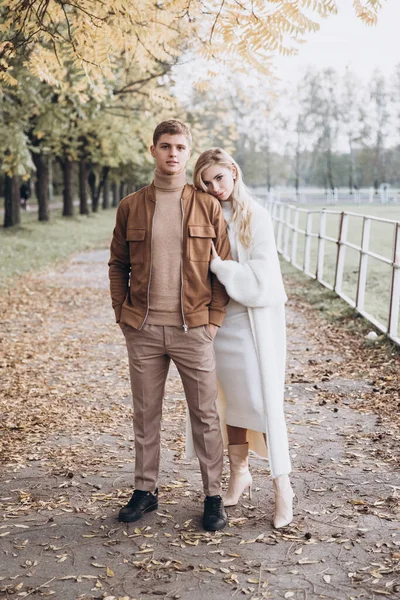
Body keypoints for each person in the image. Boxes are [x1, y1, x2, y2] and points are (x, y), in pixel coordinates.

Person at [108, 121, 231, 531]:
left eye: (179, 147)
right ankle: (146, 491)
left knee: (206, 415)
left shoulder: (206, 205)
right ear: (153, 150)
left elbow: (224, 270)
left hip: (193, 328)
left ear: (187, 151)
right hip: (143, 329)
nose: (172, 154)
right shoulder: (131, 206)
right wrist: (121, 315)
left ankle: (214, 496)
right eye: (165, 146)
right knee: (145, 415)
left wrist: (212, 322)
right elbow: (118, 265)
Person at [192, 147, 294, 529]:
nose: (214, 186)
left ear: (233, 172)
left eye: (219, 177)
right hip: (219, 320)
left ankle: (283, 485)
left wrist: (221, 267)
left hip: (254, 319)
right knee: (227, 400)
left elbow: (262, 280)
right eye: (206, 181)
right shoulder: (206, 213)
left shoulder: (257, 216)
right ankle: (239, 472)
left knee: (262, 398)